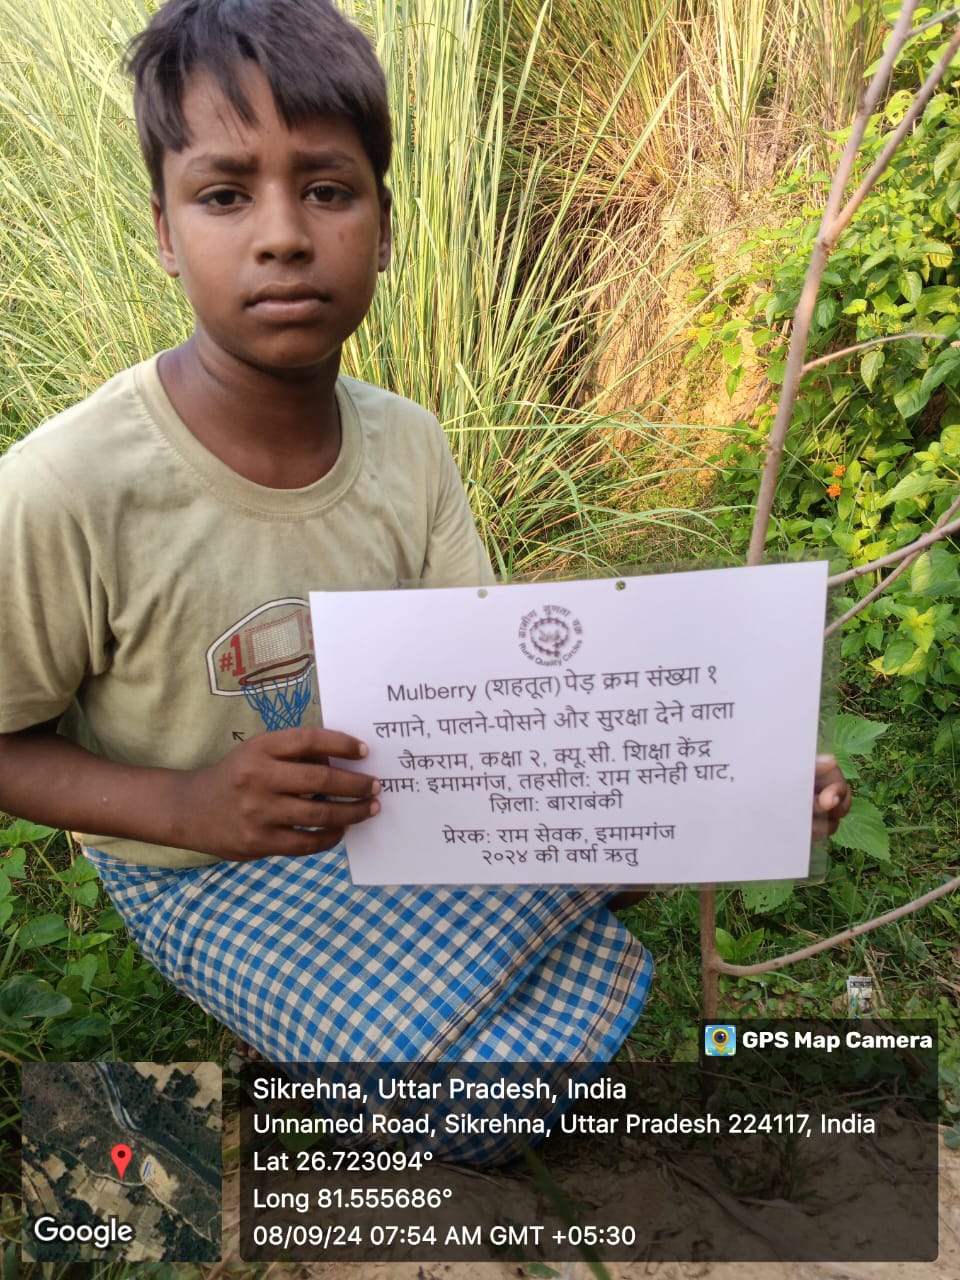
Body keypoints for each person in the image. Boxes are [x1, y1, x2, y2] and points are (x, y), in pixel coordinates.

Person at [0, 0, 849, 1163]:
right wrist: (190, 808)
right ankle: (519, 970)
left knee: (597, 856)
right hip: (196, 870)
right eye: (225, 193)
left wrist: (732, 779)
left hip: (402, 807)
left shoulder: (409, 444)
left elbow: (501, 716)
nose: (285, 235)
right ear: (162, 230)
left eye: (330, 190)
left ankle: (523, 944)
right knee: (482, 1112)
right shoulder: (64, 487)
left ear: (387, 227)